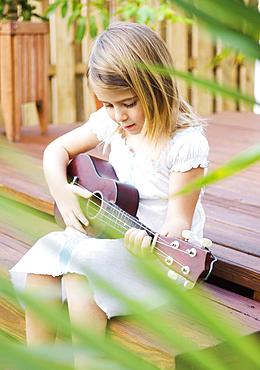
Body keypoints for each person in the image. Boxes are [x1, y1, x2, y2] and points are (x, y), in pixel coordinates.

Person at [10, 21, 209, 368]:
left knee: (81, 271)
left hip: (155, 256)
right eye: (109, 104)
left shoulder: (184, 144)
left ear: (155, 86)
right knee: (43, 259)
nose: (118, 116)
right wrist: (61, 191)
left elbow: (179, 219)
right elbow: (55, 150)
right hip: (106, 237)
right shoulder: (113, 121)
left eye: (128, 103)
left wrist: (156, 242)